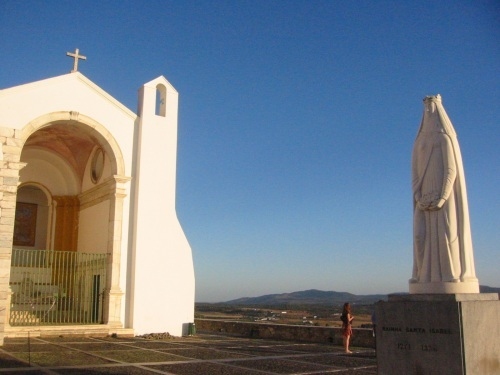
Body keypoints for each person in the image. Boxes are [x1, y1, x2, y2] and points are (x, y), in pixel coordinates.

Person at [410, 95, 478, 293]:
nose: (429, 111)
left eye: (432, 106)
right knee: (419, 237)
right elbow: (414, 172)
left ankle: (450, 276)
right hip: (423, 198)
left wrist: (443, 196)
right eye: (426, 107)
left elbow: (451, 169)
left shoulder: (445, 139)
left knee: (448, 236)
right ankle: (423, 276)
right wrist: (417, 197)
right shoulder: (419, 141)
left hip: (443, 198)